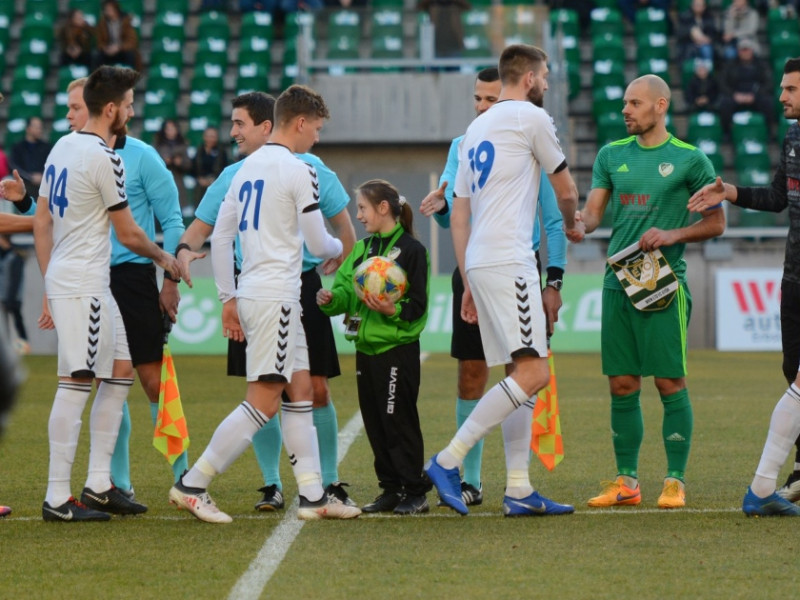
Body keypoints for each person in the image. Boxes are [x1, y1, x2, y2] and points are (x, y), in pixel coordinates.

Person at [169, 84, 360, 523]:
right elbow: (318, 238)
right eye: (315, 128)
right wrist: (334, 247)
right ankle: (192, 484)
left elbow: (219, 237)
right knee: (263, 400)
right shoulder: (297, 170)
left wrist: (227, 297)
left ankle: (313, 496)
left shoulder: (243, 170)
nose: (316, 137)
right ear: (299, 122)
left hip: (262, 293)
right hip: (276, 296)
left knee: (301, 394)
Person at [424, 44, 582, 517]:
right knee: (535, 372)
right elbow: (566, 190)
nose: (548, 84)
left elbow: (460, 213)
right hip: (512, 261)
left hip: (482, 260)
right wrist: (575, 223)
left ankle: (518, 488)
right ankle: (448, 461)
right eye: (546, 76)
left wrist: (469, 276)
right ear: (530, 77)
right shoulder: (532, 119)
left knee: (520, 372)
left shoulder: (474, 131)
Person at [33, 66, 181, 522]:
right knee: (76, 384)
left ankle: (99, 484)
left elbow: (43, 218)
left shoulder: (63, 144)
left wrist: (48, 280)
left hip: (81, 280)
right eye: (130, 104)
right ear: (113, 109)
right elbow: (130, 233)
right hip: (84, 283)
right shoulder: (104, 156)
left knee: (119, 373)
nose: (133, 111)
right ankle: (57, 498)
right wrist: (166, 260)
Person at [577, 74, 725, 510]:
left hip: (664, 284)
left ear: (660, 106)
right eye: (624, 102)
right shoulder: (610, 154)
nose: (626, 110)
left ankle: (675, 480)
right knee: (622, 383)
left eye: (635, 103)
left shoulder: (691, 160)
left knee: (667, 381)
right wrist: (573, 221)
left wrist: (673, 234)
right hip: (617, 282)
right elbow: (592, 215)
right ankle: (627, 483)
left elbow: (717, 224)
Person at [687, 57, 800, 513]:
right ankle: (772, 485)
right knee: (794, 378)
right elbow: (777, 199)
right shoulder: (793, 137)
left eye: (790, 89)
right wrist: (730, 192)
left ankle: (772, 483)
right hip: (793, 280)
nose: (781, 97)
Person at [318, 180, 431, 515]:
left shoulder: (412, 250)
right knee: (376, 421)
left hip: (396, 350)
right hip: (364, 349)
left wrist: (391, 310)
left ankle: (415, 491)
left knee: (399, 420)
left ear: (384, 208)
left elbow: (419, 305)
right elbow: (344, 291)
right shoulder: (363, 249)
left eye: (363, 208)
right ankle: (391, 489)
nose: (358, 215)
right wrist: (329, 299)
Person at [718, 39, 773, 139]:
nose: (745, 52)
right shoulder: (730, 65)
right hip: (736, 95)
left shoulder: (761, 64)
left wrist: (755, 96)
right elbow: (722, 83)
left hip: (755, 95)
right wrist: (734, 95)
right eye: (742, 50)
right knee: (725, 103)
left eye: (747, 50)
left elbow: (768, 83)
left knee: (767, 102)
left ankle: (768, 132)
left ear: (752, 50)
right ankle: (727, 133)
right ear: (738, 51)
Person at [153, 119, 190, 214]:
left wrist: (180, 162)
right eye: (168, 129)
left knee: (177, 212)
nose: (170, 131)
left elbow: (188, 165)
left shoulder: (182, 145)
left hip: (178, 181)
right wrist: (163, 162)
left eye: (172, 128)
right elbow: (152, 164)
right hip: (162, 182)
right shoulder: (158, 145)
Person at [9, 117, 52, 197]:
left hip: (43, 185)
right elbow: (13, 165)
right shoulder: (18, 147)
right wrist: (30, 177)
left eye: (40, 127)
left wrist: (42, 175)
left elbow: (51, 164)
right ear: (28, 129)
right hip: (24, 185)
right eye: (37, 127)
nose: (40, 130)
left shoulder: (46, 147)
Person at [94, 0, 140, 69]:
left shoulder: (126, 21)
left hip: (122, 50)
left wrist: (118, 47)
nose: (108, 11)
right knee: (97, 55)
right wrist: (105, 48)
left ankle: (130, 76)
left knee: (130, 54)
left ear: (116, 9)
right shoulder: (102, 23)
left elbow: (132, 42)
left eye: (110, 9)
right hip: (108, 51)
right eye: (106, 9)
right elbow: (99, 41)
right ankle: (98, 78)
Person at [189, 127, 229, 204]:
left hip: (216, 184)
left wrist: (212, 180)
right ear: (204, 137)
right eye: (208, 136)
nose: (210, 139)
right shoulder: (199, 150)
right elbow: (192, 169)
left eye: (213, 136)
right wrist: (199, 179)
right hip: (200, 185)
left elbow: (225, 169)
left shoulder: (221, 152)